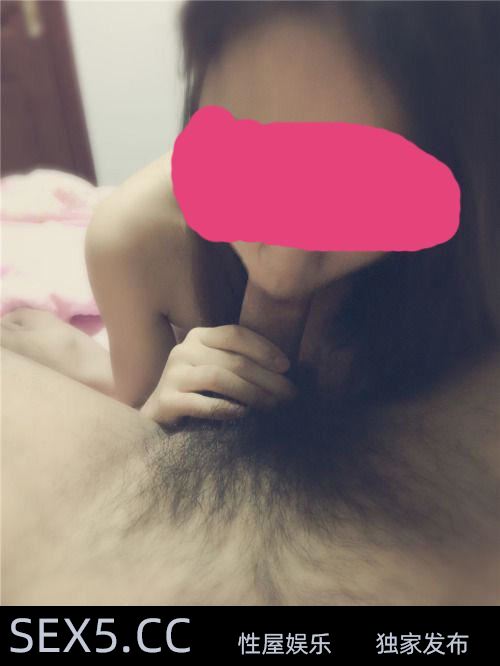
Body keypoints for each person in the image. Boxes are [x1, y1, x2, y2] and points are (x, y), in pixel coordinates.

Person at [2, 1, 500, 604]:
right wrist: (159, 411)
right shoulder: (132, 239)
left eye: (356, 186)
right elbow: (140, 428)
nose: (280, 261)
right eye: (250, 155)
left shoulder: (470, 256)